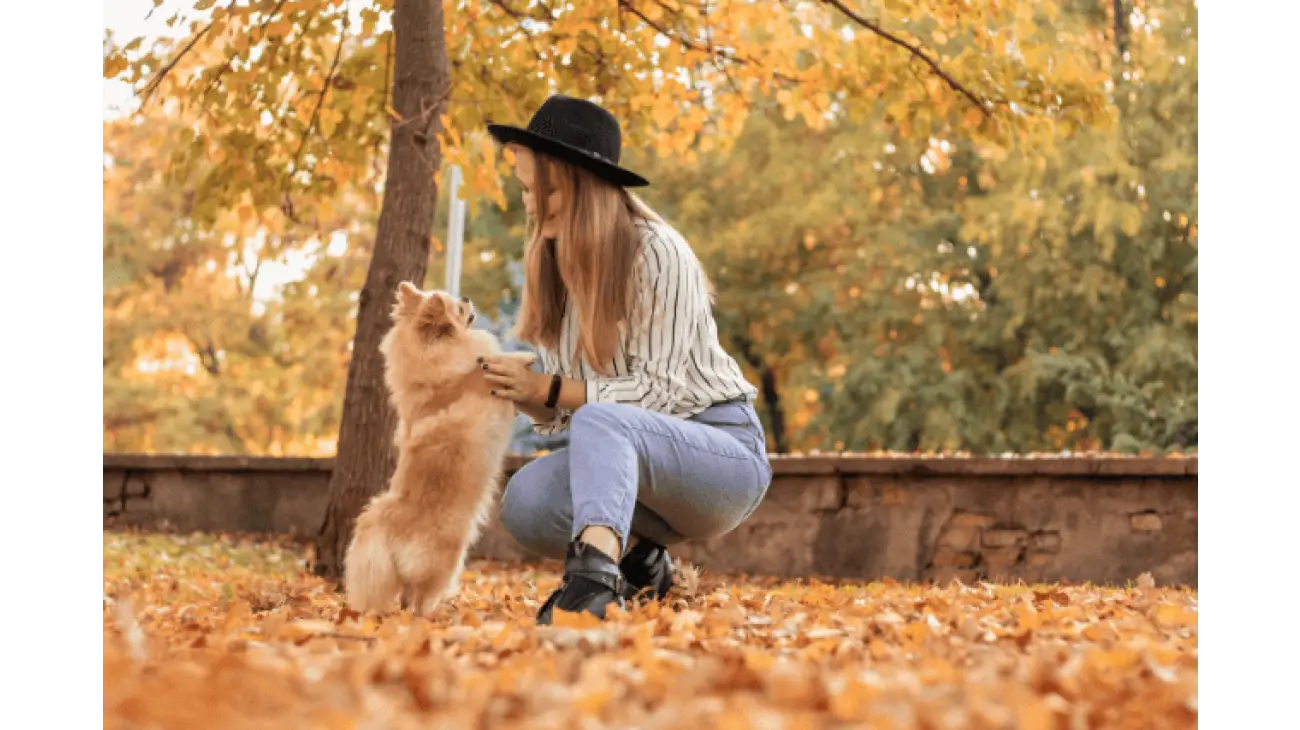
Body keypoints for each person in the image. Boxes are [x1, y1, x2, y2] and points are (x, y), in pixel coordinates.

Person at [479, 95, 773, 625]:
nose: (526, 205)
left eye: (536, 190)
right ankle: (643, 566)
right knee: (525, 500)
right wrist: (526, 394)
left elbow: (654, 396)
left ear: (573, 184)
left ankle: (592, 585)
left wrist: (550, 389)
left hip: (721, 458)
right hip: (627, 458)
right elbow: (568, 415)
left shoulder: (657, 251)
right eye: (522, 189)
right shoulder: (558, 266)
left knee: (602, 419)